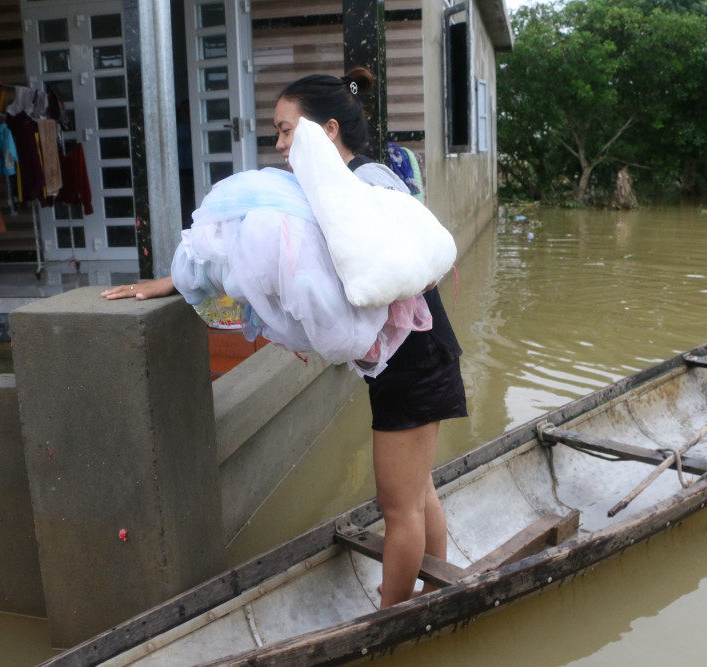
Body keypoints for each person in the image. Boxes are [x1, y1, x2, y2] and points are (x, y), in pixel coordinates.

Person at [102, 68, 468, 609]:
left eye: (286, 130)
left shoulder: (367, 182)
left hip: (417, 361)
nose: (277, 144)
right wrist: (172, 282)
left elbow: (420, 268)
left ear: (329, 131)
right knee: (418, 493)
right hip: (405, 361)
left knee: (399, 508)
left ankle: (390, 619)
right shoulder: (320, 191)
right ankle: (433, 592)